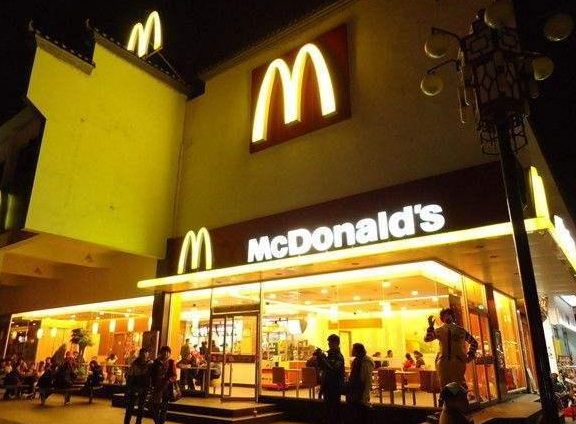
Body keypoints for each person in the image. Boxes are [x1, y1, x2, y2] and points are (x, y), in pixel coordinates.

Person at [425, 308, 478, 388]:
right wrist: (431, 328)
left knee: (456, 385)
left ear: (453, 316)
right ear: (442, 318)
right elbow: (427, 339)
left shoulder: (461, 331)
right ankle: (448, 396)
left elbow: (474, 342)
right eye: (445, 315)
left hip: (457, 362)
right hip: (443, 363)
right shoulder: (439, 331)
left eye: (449, 315)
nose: (447, 317)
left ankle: (455, 395)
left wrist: (470, 355)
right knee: (445, 385)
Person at [315, 334, 345, 424]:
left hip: (335, 386)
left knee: (334, 409)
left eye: (330, 342)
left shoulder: (338, 356)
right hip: (327, 385)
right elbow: (323, 368)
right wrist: (319, 357)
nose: (329, 344)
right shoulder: (330, 355)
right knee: (328, 409)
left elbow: (333, 368)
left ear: (336, 343)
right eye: (328, 342)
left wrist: (323, 357)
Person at [347, 343, 374, 423]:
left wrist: (366, 394)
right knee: (355, 412)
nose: (352, 351)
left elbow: (368, 379)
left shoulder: (366, 362)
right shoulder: (356, 360)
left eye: (353, 349)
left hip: (360, 390)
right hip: (353, 390)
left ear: (357, 350)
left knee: (360, 413)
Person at [150, 346, 178, 424]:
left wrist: (169, 380)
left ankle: (161, 422)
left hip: (166, 388)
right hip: (157, 388)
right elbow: (152, 374)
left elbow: (174, 375)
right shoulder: (156, 362)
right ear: (161, 353)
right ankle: (157, 421)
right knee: (154, 407)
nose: (166, 353)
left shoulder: (171, 362)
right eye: (164, 351)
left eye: (167, 352)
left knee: (164, 407)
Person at [124, 348, 151, 424]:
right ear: (140, 354)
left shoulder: (150, 364)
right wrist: (129, 387)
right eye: (142, 353)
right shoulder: (134, 363)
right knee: (130, 406)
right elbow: (129, 375)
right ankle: (127, 422)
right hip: (134, 387)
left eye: (145, 353)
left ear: (148, 354)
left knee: (141, 407)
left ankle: (138, 422)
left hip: (144, 387)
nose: (143, 355)